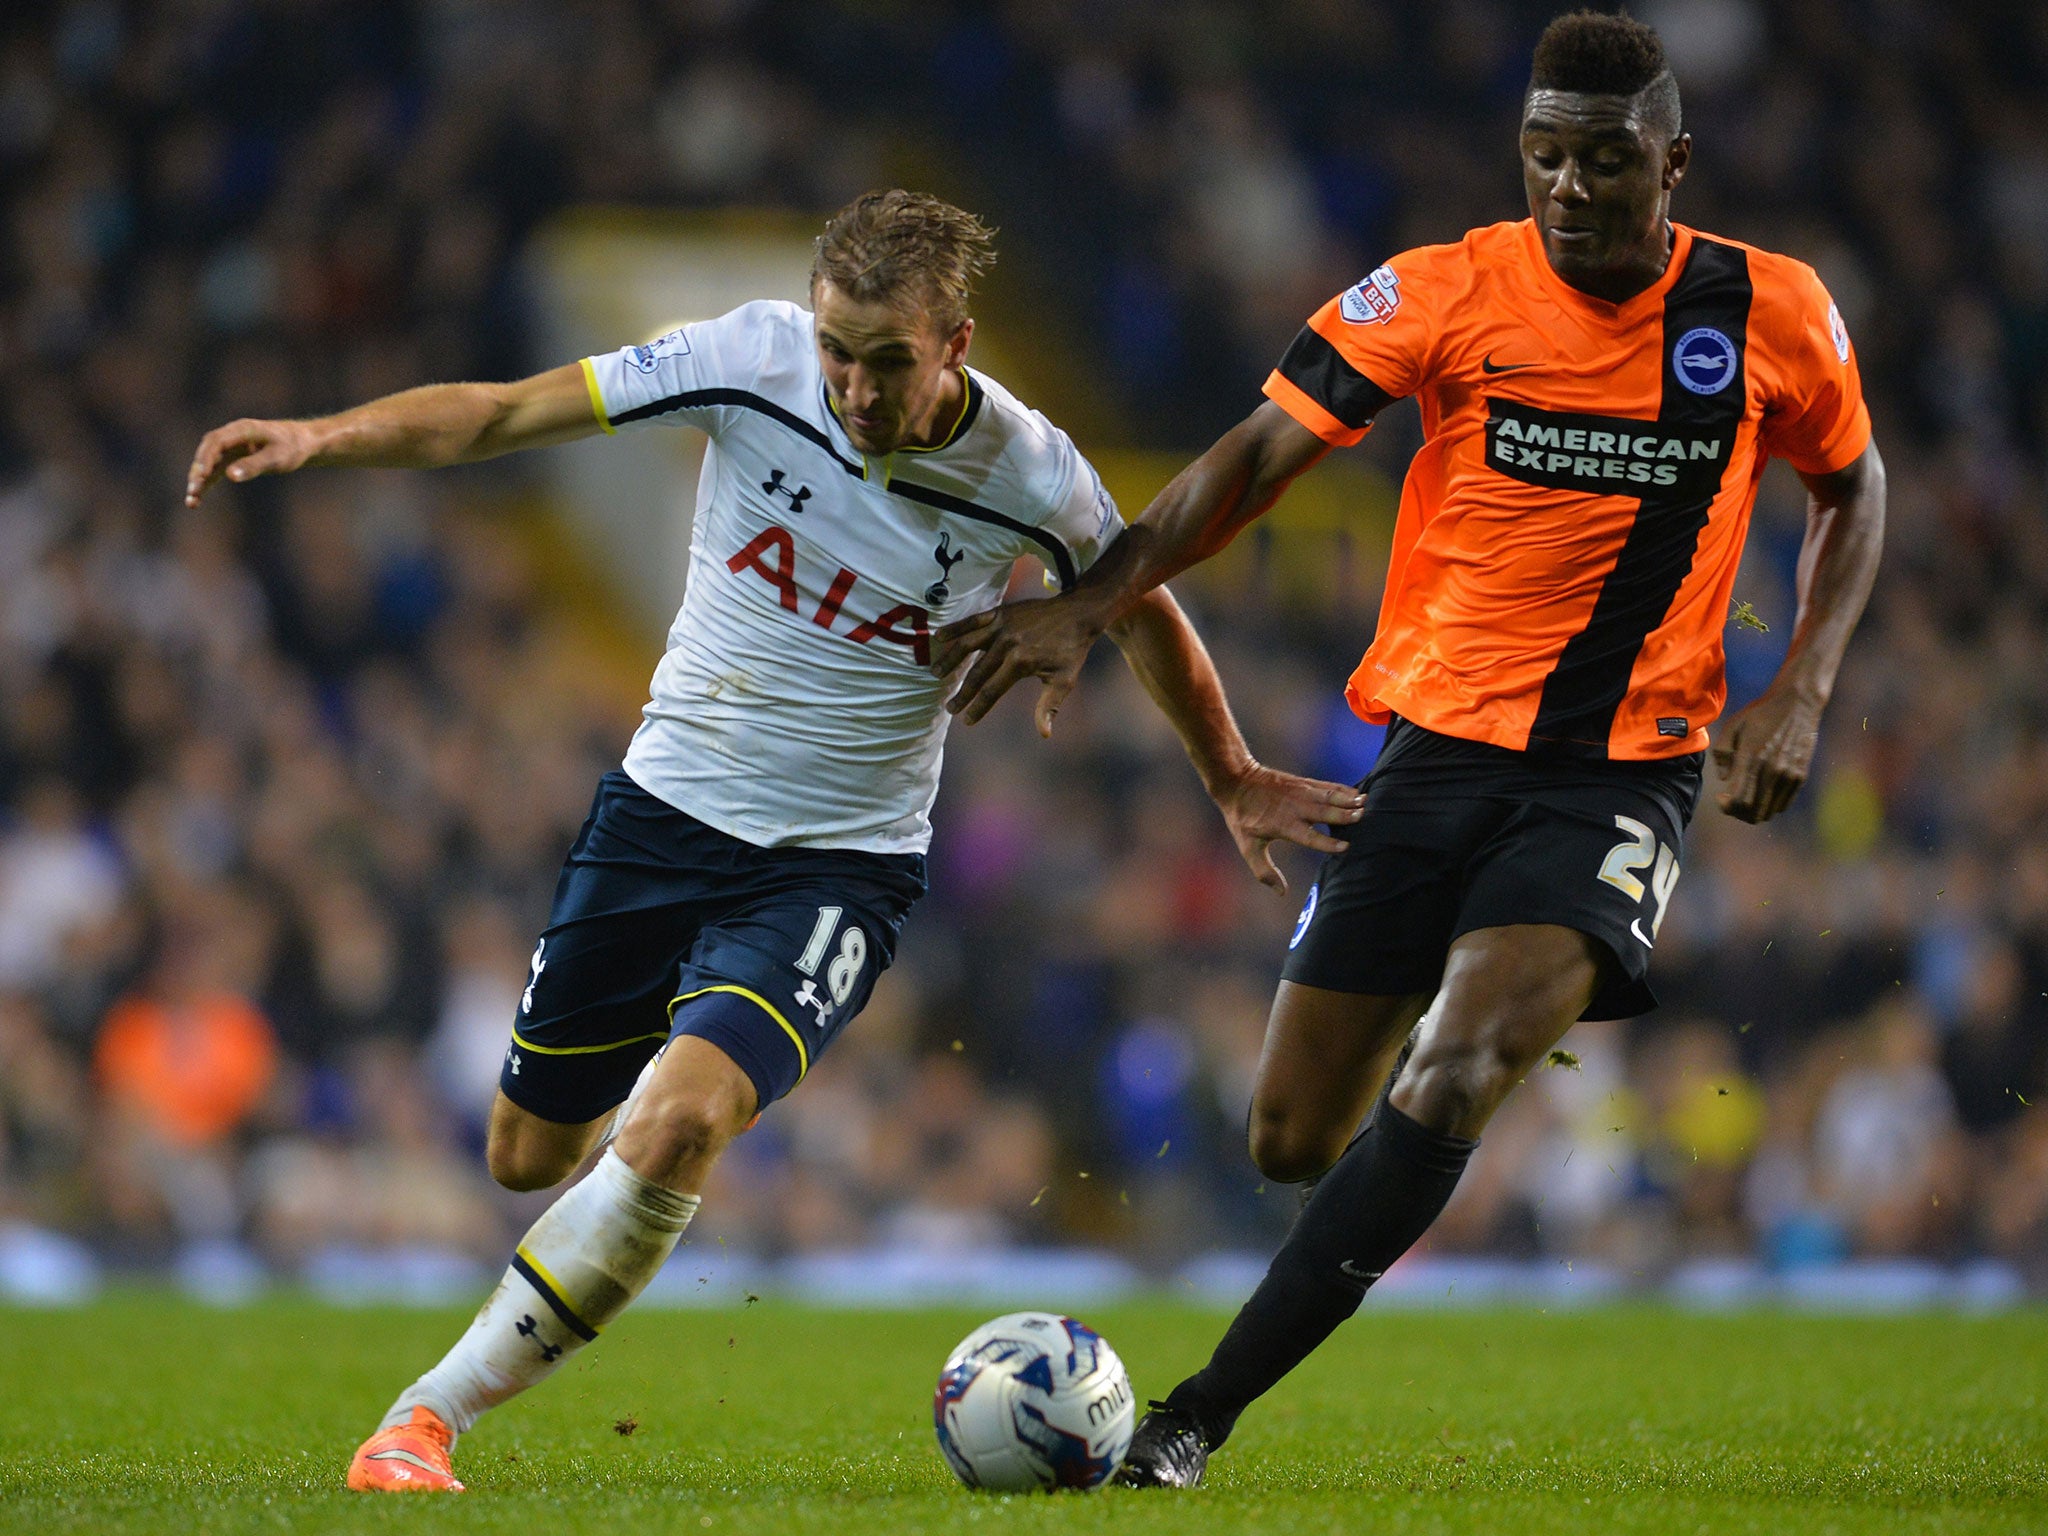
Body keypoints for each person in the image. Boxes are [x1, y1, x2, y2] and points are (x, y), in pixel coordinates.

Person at [184, 189, 1364, 1493]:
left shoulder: (1032, 474)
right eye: (837, 353)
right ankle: (630, 1153)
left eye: (889, 362)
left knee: (685, 1122)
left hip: (837, 866)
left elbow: (1142, 599)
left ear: (956, 344)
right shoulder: (749, 359)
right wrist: (320, 436)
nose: (853, 387)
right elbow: (509, 409)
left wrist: (1233, 773)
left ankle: (425, 1418)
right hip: (660, 815)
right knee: (525, 1156)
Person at [930, 12, 1886, 1487]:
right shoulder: (1443, 292)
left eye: (1606, 160)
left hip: (1622, 770)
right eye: (1544, 155)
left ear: (1675, 162)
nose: (1568, 186)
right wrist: (1096, 601)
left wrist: (1805, 687)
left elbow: (1852, 483)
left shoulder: (1774, 312)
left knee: (1461, 1064)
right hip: (1432, 754)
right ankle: (1426, 1140)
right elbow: (1259, 454)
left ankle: (1195, 1416)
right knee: (1291, 1138)